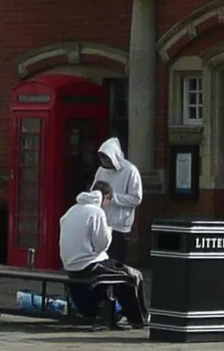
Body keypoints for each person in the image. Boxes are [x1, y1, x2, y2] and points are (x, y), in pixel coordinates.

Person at [59, 188, 146, 329]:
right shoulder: (97, 212)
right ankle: (139, 320)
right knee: (132, 276)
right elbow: (102, 245)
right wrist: (109, 230)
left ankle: (124, 315)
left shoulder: (72, 210)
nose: (108, 205)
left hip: (70, 266)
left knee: (122, 272)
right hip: (90, 264)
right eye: (109, 201)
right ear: (106, 197)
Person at [92, 137, 142, 262]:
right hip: (102, 223)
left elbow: (136, 198)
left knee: (116, 261)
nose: (103, 162)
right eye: (101, 158)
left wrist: (114, 198)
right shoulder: (101, 170)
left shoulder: (131, 171)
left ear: (113, 156)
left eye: (105, 158)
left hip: (119, 226)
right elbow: (94, 190)